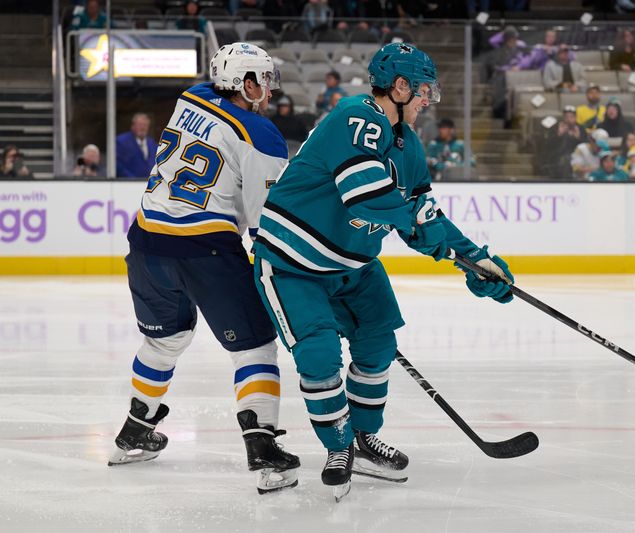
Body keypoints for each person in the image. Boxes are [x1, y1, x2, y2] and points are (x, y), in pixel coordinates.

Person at [251, 42, 515, 501]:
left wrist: (474, 260)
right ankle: (338, 447)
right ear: (399, 86)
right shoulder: (354, 117)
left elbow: (420, 214)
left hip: (354, 266)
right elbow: (367, 195)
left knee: (378, 348)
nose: (428, 101)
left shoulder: (407, 146)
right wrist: (423, 228)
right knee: (318, 356)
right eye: (423, 91)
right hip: (293, 263)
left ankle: (362, 438)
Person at [109, 43, 301, 495]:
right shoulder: (264, 133)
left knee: (163, 339)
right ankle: (262, 447)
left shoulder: (190, 97)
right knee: (254, 346)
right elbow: (263, 219)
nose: (269, 88)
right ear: (245, 83)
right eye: (263, 79)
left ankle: (136, 428)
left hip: (146, 242)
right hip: (206, 249)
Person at [544, 105, 587, 178]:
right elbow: (548, 145)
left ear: (575, 118)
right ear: (563, 117)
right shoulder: (555, 127)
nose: (569, 119)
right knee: (565, 160)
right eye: (566, 117)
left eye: (571, 117)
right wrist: (559, 135)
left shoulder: (580, 128)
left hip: (578, 157)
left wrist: (578, 138)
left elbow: (586, 146)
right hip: (558, 157)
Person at [116, 113, 158, 179]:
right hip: (129, 184)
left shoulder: (152, 143)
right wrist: (133, 180)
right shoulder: (121, 141)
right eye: (140, 125)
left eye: (145, 125)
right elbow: (119, 165)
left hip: (149, 184)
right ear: (132, 126)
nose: (143, 127)